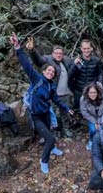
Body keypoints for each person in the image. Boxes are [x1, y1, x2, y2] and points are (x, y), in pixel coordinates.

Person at [9, 34, 73, 174]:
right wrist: (17, 47)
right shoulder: (36, 79)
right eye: (48, 70)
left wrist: (67, 108)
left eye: (53, 72)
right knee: (50, 139)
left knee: (51, 132)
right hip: (36, 116)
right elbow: (26, 64)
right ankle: (44, 161)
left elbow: (56, 99)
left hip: (46, 114)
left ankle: (52, 148)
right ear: (44, 71)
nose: (51, 72)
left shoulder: (51, 86)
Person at [26, 37, 76, 137]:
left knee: (65, 113)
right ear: (52, 54)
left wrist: (77, 60)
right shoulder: (47, 59)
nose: (58, 55)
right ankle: (51, 132)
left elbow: (73, 63)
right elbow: (38, 60)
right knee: (50, 114)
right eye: (56, 53)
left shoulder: (66, 60)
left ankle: (66, 129)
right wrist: (32, 50)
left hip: (65, 93)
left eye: (60, 53)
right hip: (52, 94)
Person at [80, 82, 103, 150]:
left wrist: (99, 122)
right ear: (87, 93)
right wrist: (95, 122)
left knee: (102, 128)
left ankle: (102, 141)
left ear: (97, 92)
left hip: (102, 117)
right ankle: (91, 140)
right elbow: (84, 113)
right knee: (93, 130)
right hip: (91, 117)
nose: (93, 94)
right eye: (90, 93)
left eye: (94, 92)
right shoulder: (83, 99)